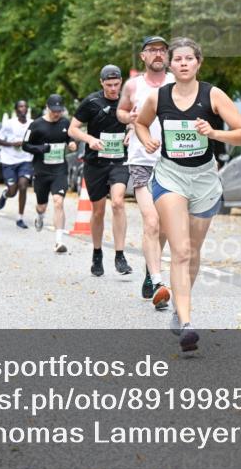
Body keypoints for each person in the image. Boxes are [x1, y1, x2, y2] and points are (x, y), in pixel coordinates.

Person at [134, 38, 241, 351]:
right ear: (170, 65)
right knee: (181, 250)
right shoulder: (159, 97)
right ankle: (186, 323)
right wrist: (146, 140)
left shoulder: (212, 95)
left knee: (194, 252)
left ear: (198, 63)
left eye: (189, 58)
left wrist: (213, 133)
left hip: (204, 181)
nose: (183, 63)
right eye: (178, 59)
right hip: (170, 177)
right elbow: (141, 124)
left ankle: (178, 310)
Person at [119, 36, 174, 308]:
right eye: (152, 50)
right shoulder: (133, 85)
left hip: (171, 160)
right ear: (143, 56)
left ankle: (150, 270)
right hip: (141, 158)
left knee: (163, 225)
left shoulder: (178, 83)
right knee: (151, 221)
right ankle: (157, 280)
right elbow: (121, 112)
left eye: (162, 50)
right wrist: (130, 123)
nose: (158, 54)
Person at [69, 65, 133, 277]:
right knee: (98, 211)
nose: (113, 89)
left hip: (119, 160)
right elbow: (73, 128)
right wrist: (90, 139)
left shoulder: (129, 100)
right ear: (101, 83)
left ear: (121, 81)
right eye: (109, 85)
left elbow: (141, 120)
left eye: (116, 84)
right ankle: (97, 253)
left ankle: (120, 255)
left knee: (117, 202)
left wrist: (132, 131)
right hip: (95, 162)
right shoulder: (92, 102)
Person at [22, 94, 77, 253]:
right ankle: (40, 216)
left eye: (59, 110)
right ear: (47, 107)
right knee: (42, 205)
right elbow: (25, 145)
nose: (56, 114)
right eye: (54, 110)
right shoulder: (36, 125)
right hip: (41, 170)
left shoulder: (65, 122)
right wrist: (40, 149)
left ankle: (58, 242)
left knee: (58, 201)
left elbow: (71, 138)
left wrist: (72, 143)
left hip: (59, 169)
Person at [0, 100, 35, 229]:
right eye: (20, 106)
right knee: (13, 191)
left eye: (25, 106)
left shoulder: (32, 124)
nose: (23, 109)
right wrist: (12, 144)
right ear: (16, 110)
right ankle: (5, 195)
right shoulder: (9, 124)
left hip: (25, 160)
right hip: (9, 161)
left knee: (23, 186)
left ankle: (20, 218)